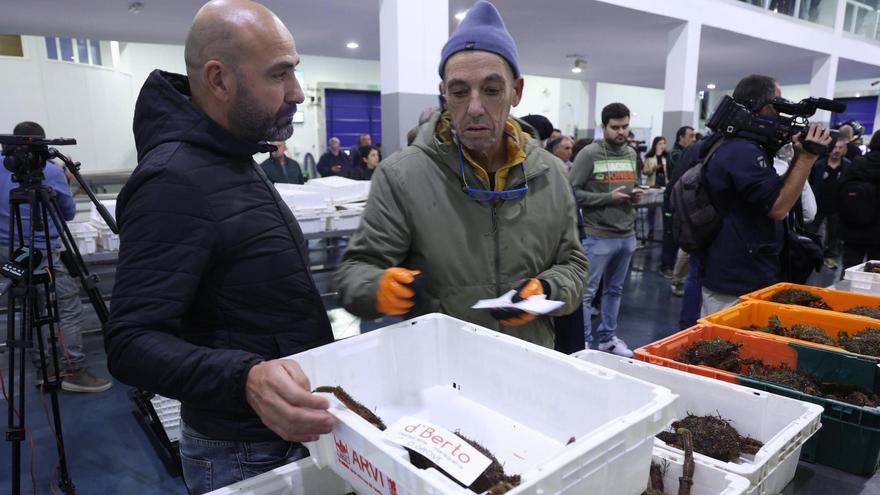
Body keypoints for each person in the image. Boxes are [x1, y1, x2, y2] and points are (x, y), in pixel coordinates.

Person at [103, 2, 336, 493]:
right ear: (219, 80)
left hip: (281, 431)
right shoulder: (173, 180)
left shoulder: (232, 155)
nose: (297, 93)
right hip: (244, 450)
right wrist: (244, 377)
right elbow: (129, 342)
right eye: (279, 76)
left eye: (294, 72)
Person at [334, 0, 588, 349]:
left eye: (492, 89)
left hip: (530, 358)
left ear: (516, 91)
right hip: (441, 370)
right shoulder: (402, 176)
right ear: (444, 94)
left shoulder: (551, 174)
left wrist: (547, 289)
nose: (474, 108)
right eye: (458, 91)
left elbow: (573, 264)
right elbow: (355, 271)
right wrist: (377, 288)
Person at [699, 74, 830, 316]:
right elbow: (778, 207)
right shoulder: (741, 151)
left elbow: (769, 193)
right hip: (737, 276)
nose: (781, 113)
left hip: (742, 268)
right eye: (778, 104)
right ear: (761, 106)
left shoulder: (735, 146)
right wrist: (806, 159)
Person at [0, 121, 112, 393]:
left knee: (30, 306)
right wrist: (67, 182)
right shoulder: (49, 171)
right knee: (67, 307)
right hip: (41, 250)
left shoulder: (5, 167)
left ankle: (44, 369)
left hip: (7, 250)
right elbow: (68, 212)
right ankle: (71, 369)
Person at [570, 102, 640, 357]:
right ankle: (585, 342)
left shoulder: (632, 154)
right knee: (587, 294)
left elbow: (631, 187)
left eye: (625, 126)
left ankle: (608, 339)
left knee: (615, 290)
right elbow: (573, 191)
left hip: (627, 233)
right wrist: (608, 198)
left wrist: (635, 197)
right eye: (615, 127)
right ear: (603, 127)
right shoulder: (589, 154)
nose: (621, 132)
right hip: (598, 234)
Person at [838, 130, 880, 269]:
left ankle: (844, 291)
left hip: (853, 227)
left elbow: (840, 188)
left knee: (850, 270)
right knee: (875, 274)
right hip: (877, 232)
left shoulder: (858, 163)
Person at [808, 138, 849, 269]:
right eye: (835, 147)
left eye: (840, 148)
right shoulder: (819, 165)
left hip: (837, 206)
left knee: (834, 234)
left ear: (844, 149)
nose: (836, 150)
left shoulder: (848, 166)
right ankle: (811, 254)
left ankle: (830, 256)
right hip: (818, 204)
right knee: (812, 231)